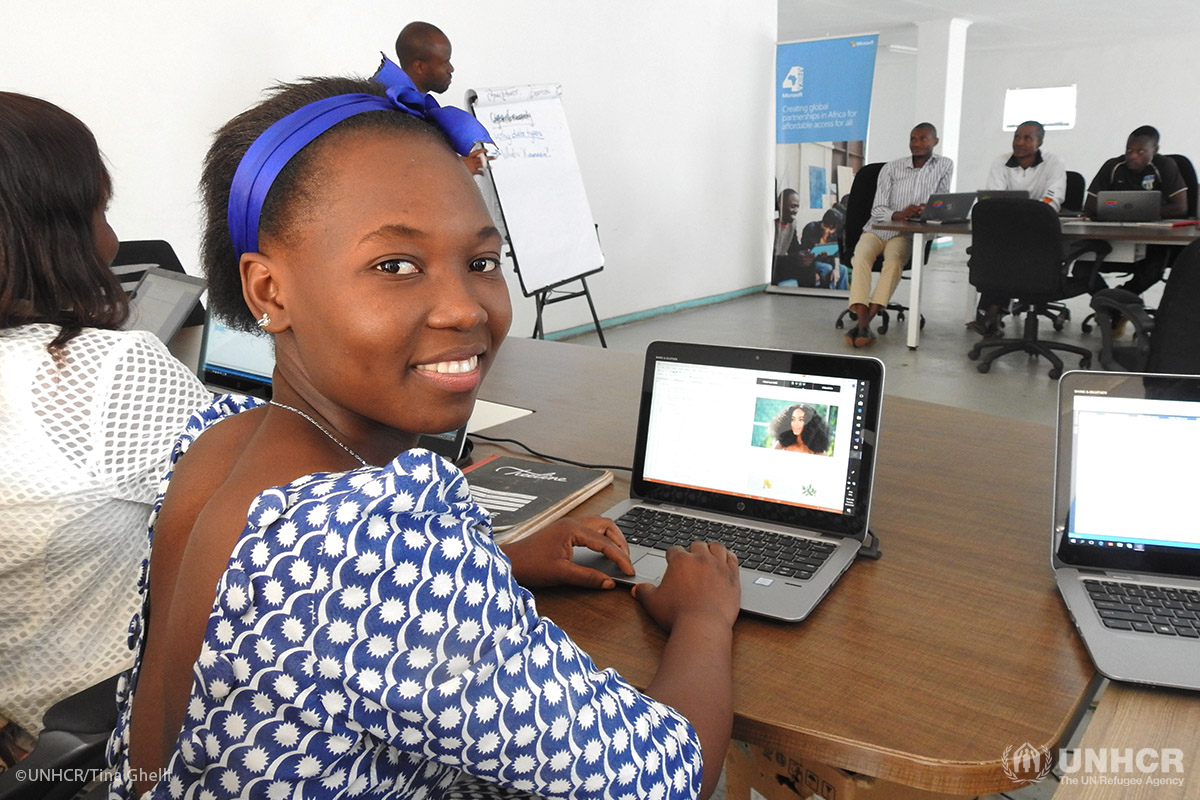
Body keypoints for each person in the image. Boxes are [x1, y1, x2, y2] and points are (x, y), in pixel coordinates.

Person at [109, 67, 741, 800]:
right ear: (268, 291)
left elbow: (301, 623)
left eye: (481, 262)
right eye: (395, 265)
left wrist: (488, 560)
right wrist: (703, 615)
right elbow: (667, 777)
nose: (464, 309)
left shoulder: (220, 443)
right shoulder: (365, 545)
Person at [0, 92, 210, 764]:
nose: (113, 242)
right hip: (90, 749)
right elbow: (284, 509)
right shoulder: (101, 370)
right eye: (100, 211)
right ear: (53, 229)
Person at [844, 123, 953, 347]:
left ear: (935, 141)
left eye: (923, 139)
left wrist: (926, 209)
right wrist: (899, 213)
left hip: (907, 234)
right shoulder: (892, 168)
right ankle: (864, 325)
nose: (916, 143)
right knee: (861, 256)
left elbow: (942, 202)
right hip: (878, 228)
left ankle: (862, 324)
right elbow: (877, 209)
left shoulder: (944, 165)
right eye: (913, 138)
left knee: (893, 262)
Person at [970, 120, 1068, 337]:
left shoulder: (1053, 163)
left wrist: (1029, 214)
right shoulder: (1000, 162)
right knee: (1000, 251)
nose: (1020, 142)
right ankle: (992, 313)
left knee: (1009, 254)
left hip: (1040, 229)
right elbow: (994, 198)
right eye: (1017, 137)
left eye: (1027, 138)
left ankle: (990, 313)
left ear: (1040, 142)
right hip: (1009, 228)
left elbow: (1054, 198)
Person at [1083, 125, 1188, 299]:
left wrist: (1147, 213)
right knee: (1082, 268)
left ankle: (1117, 303)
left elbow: (1181, 207)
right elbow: (1091, 204)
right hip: (1114, 234)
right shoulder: (1113, 166)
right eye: (1129, 150)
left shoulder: (1165, 166)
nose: (1132, 156)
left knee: (1153, 269)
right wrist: (1116, 212)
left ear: (1155, 150)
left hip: (1154, 236)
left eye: (1140, 151)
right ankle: (1113, 304)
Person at [396, 21, 493, 176]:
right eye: (444, 62)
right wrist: (459, 168)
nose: (451, 69)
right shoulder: (395, 113)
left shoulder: (421, 107)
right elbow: (404, 171)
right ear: (420, 67)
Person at [800, 207, 846, 289]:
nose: (831, 231)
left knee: (843, 270)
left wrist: (836, 269)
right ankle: (830, 295)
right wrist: (823, 237)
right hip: (811, 262)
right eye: (829, 228)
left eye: (833, 229)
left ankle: (842, 297)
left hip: (827, 260)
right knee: (827, 268)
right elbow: (805, 251)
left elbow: (837, 253)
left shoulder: (834, 233)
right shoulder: (811, 228)